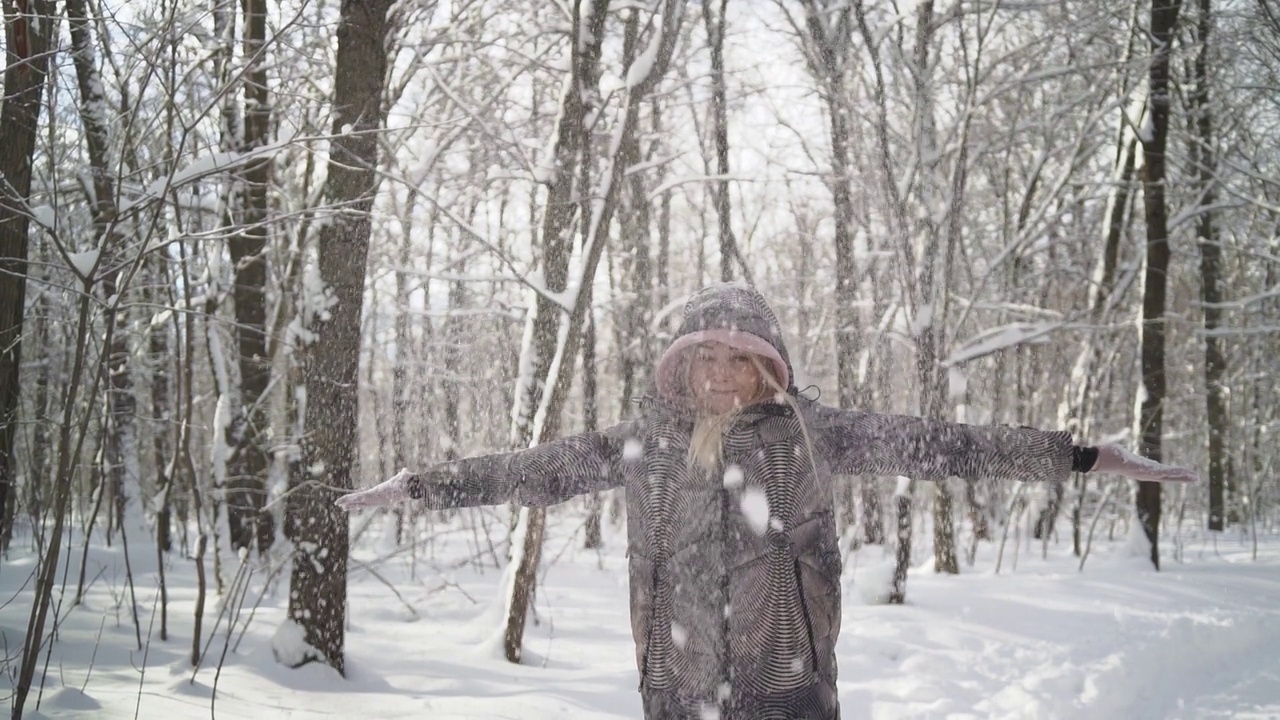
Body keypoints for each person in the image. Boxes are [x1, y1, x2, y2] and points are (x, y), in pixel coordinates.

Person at [336, 283, 1197, 720]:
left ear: (766, 366)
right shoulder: (645, 444)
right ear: (683, 367)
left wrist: (1080, 456)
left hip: (786, 690)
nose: (719, 375)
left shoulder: (812, 434)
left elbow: (949, 444)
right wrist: (419, 487)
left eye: (737, 359)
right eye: (704, 359)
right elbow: (532, 470)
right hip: (674, 693)